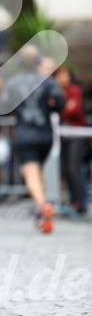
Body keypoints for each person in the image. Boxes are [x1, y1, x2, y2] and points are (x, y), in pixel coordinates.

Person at [1, 46, 65, 233]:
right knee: (38, 173)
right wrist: (49, 110)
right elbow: (59, 104)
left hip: (25, 133)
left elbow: (5, 106)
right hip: (45, 134)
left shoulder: (12, 83)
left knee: (30, 174)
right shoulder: (48, 82)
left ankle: (43, 205)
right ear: (38, 61)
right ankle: (42, 216)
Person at [53, 65, 88, 214]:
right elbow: (55, 114)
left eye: (67, 75)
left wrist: (63, 110)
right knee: (66, 169)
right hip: (61, 135)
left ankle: (80, 203)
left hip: (76, 133)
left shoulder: (75, 90)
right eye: (61, 75)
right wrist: (65, 109)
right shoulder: (54, 92)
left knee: (74, 168)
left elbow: (75, 110)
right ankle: (73, 201)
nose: (65, 79)